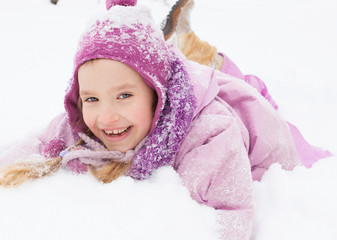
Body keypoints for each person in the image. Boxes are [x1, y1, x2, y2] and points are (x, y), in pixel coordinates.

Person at [0, 0, 331, 239]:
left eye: (124, 96)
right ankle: (195, 55)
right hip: (176, 75)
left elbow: (232, 215)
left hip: (241, 112)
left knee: (252, 90)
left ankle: (209, 58)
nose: (106, 115)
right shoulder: (87, 118)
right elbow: (42, 142)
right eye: (92, 99)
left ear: (158, 94)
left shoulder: (210, 135)